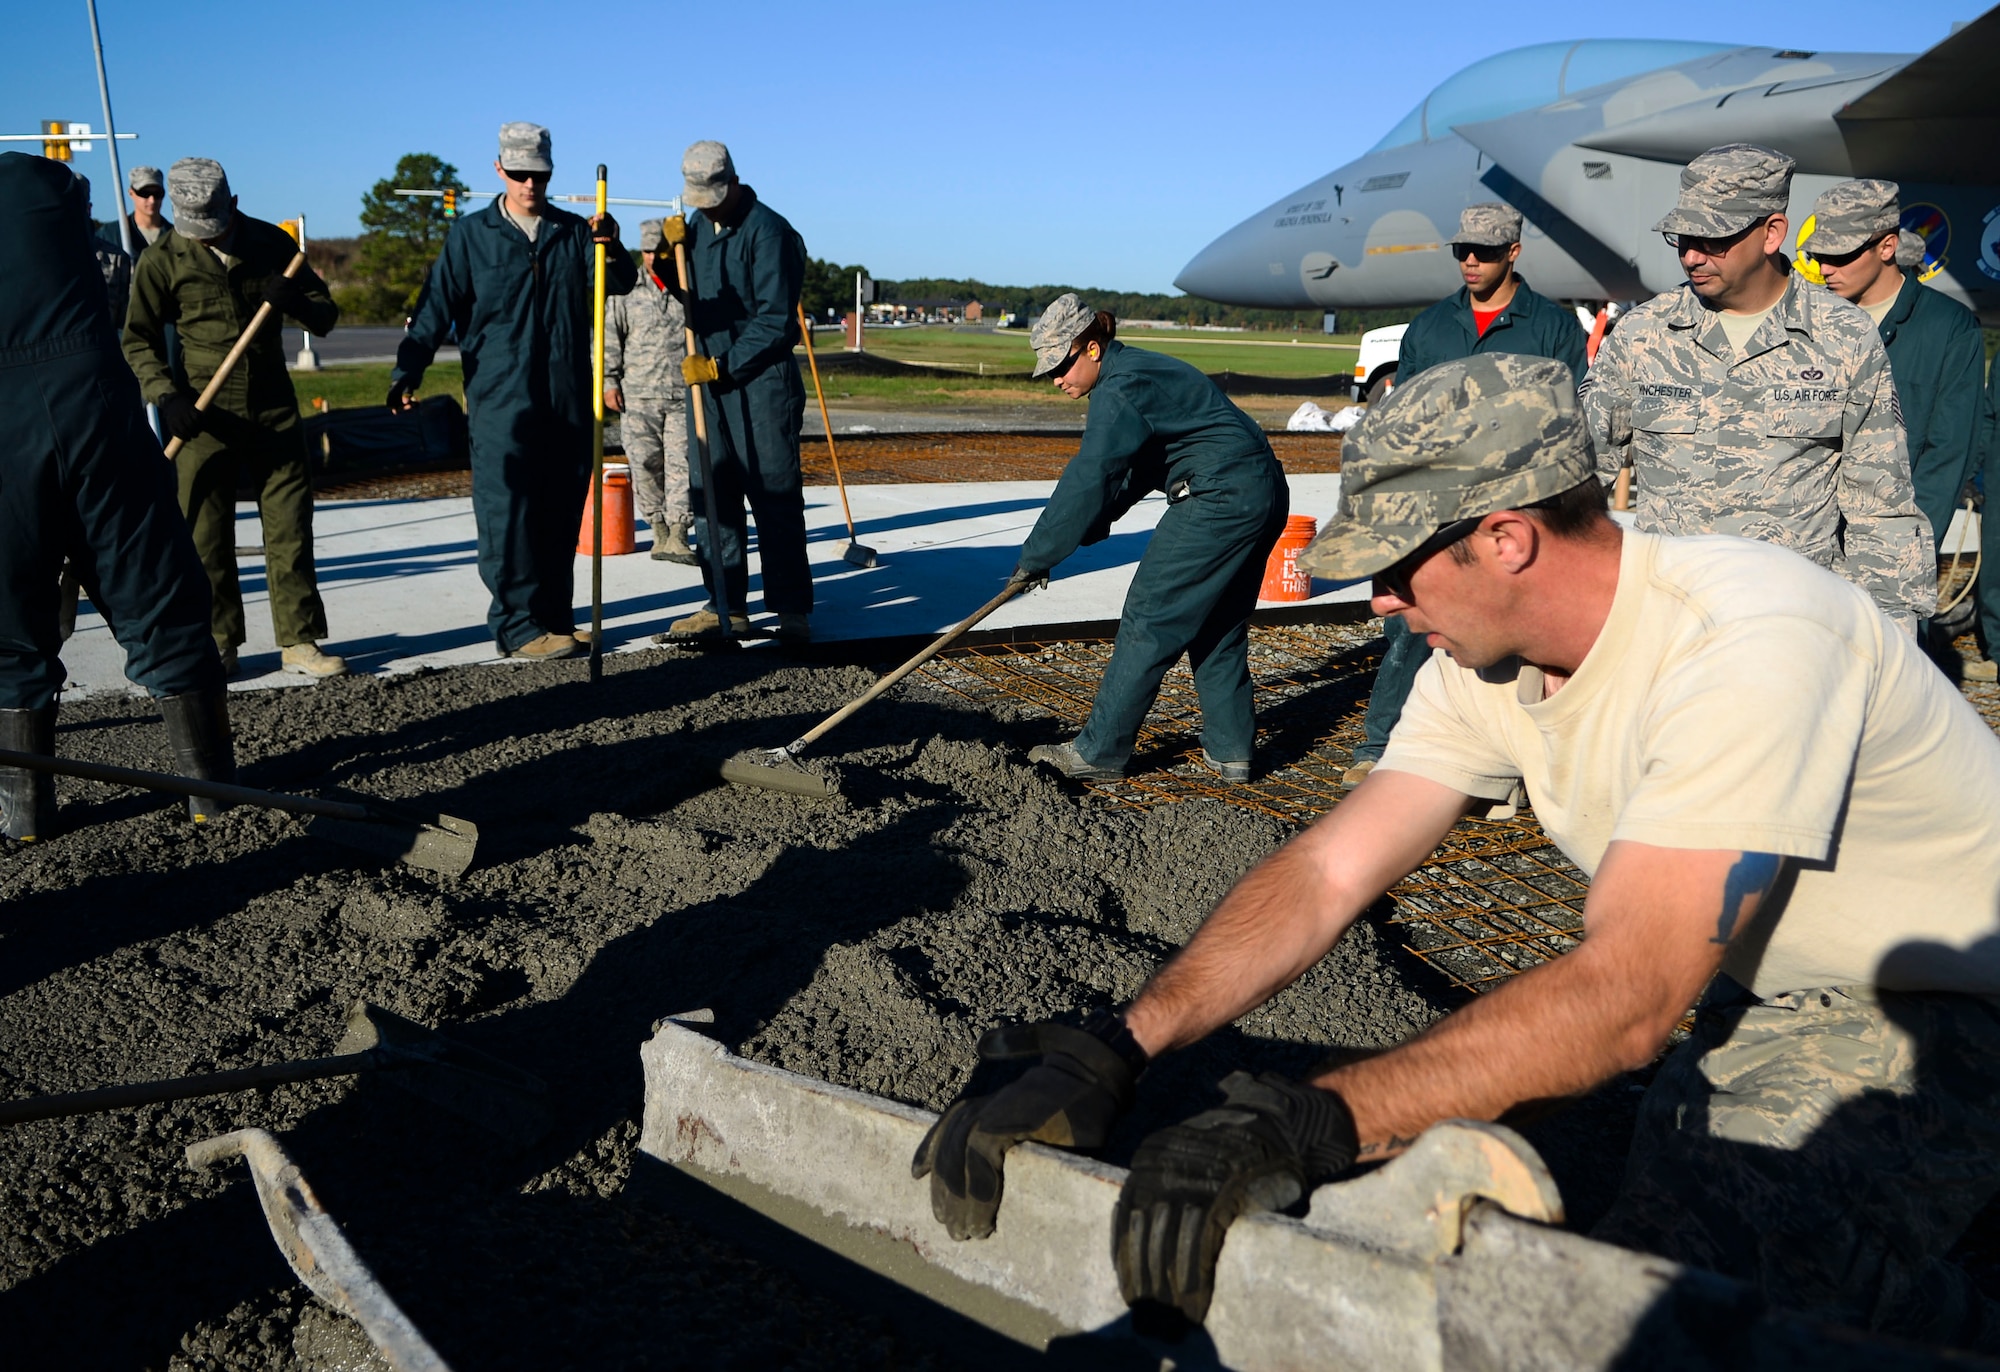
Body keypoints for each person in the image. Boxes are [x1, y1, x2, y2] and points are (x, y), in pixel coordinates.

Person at [912, 355, 2000, 1351]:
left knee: (1666, 1291)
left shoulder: (1750, 638)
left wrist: (1318, 1118)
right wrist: (1116, 1043)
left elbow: (1626, 998)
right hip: (1748, 986)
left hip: (1932, 1003)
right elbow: (1328, 870)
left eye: (1394, 567)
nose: (1377, 601)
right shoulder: (1484, 666)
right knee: (1724, 1244)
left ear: (1506, 538)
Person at [1583, 144, 1933, 634]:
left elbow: (1879, 500)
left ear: (1772, 233)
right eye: (1682, 237)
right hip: (1667, 621)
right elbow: (1577, 478)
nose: (1690, 255)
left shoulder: (1843, 337)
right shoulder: (1643, 335)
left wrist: (1895, 632)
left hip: (1793, 625)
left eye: (1713, 238)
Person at [0, 153, 232, 839]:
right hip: (97, 407)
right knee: (157, 596)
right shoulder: (82, 234)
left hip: (6, 434)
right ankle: (211, 793)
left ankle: (24, 813)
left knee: (12, 629)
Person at [1345, 202, 1587, 789]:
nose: (1470, 260)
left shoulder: (1551, 327)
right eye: (1462, 250)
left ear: (1514, 253)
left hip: (1516, 505)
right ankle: (1383, 745)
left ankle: (1522, 760)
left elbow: (1573, 414)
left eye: (1483, 251)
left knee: (1519, 633)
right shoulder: (1430, 327)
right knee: (1410, 625)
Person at [1012, 294, 1289, 782]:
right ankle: (1231, 751)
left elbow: (1091, 475)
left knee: (1148, 618)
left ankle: (1097, 754)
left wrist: (1037, 555)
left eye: (1062, 364)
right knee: (1217, 621)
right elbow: (1134, 471)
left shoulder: (1119, 388)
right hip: (1262, 491)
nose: (1056, 379)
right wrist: (1086, 530)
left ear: (1092, 348)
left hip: (1218, 498)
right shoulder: (1139, 372)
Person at [390, 122, 634, 660]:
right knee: (508, 515)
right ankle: (518, 626)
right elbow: (434, 310)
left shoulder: (574, 233)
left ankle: (555, 619)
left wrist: (612, 246)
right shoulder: (472, 236)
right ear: (499, 169)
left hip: (567, 400)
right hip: (503, 403)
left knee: (560, 511)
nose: (530, 185)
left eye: (539, 175)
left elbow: (621, 283)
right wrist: (407, 370)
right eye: (520, 174)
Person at [124, 157, 347, 681]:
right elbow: (137, 339)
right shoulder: (162, 260)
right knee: (205, 535)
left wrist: (294, 301)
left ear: (235, 205)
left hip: (272, 410)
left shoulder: (270, 244)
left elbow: (326, 315)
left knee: (290, 528)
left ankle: (298, 640)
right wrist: (166, 395)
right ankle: (219, 642)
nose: (205, 238)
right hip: (202, 416)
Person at [1809, 179, 1985, 653]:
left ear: (1888, 246)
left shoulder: (1948, 329)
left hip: (1890, 555)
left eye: (1842, 256)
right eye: (1820, 255)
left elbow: (1948, 454)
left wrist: (1902, 547)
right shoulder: (1811, 322)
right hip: (1806, 543)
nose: (1826, 268)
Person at [662, 141, 812, 643]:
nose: (704, 204)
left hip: (760, 382)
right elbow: (686, 294)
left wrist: (722, 365)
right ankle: (723, 603)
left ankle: (791, 608)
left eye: (711, 194)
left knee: (774, 497)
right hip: (706, 384)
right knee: (713, 494)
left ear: (731, 182)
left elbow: (774, 319)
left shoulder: (769, 232)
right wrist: (668, 254)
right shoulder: (697, 231)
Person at [605, 218, 694, 565]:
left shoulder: (687, 286)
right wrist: (608, 382)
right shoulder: (626, 288)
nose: (652, 258)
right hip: (637, 395)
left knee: (682, 465)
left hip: (682, 394)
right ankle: (657, 528)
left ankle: (678, 533)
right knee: (643, 463)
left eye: (658, 251)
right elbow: (610, 338)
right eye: (646, 251)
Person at [125, 164, 170, 251]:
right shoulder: (110, 234)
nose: (152, 200)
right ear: (131, 193)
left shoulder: (178, 236)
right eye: (144, 193)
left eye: (157, 193)